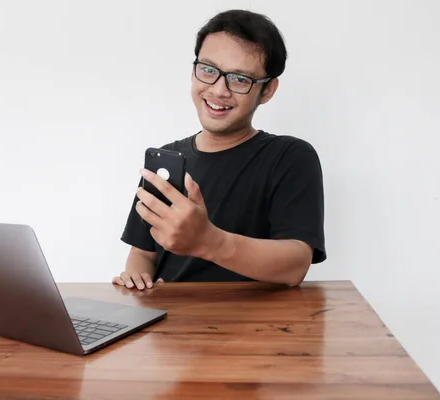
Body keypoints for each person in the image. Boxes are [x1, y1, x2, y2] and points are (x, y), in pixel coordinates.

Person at [112, 9, 326, 290]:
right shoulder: (167, 161)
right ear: (193, 72)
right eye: (209, 70)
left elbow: (295, 264)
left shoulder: (290, 157)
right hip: (171, 327)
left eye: (239, 79)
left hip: (257, 329)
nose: (218, 90)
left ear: (268, 90)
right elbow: (142, 253)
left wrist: (209, 241)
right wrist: (136, 278)